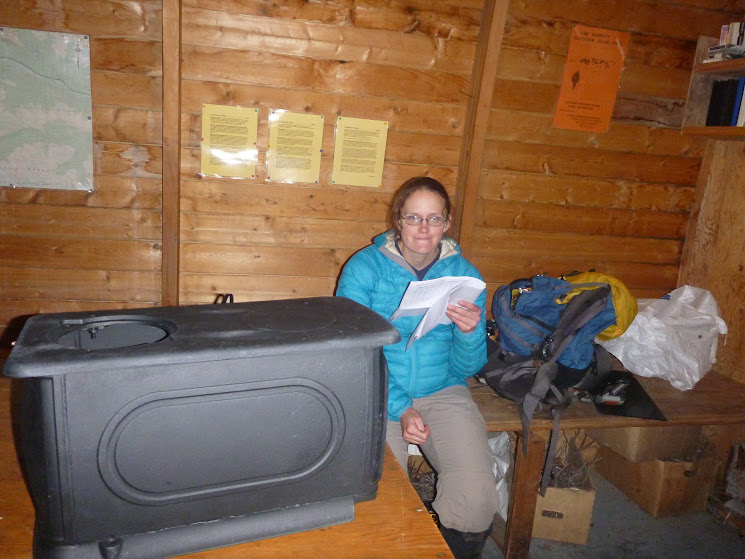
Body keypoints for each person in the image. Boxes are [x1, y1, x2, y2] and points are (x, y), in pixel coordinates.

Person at [336, 176, 499, 559]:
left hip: (442, 389)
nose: (423, 228)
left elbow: (467, 366)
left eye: (434, 218)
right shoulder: (364, 268)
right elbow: (354, 352)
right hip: (376, 392)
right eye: (413, 217)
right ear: (398, 220)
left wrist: (470, 333)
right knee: (379, 499)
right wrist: (402, 407)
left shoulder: (465, 275)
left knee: (475, 498)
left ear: (447, 222)